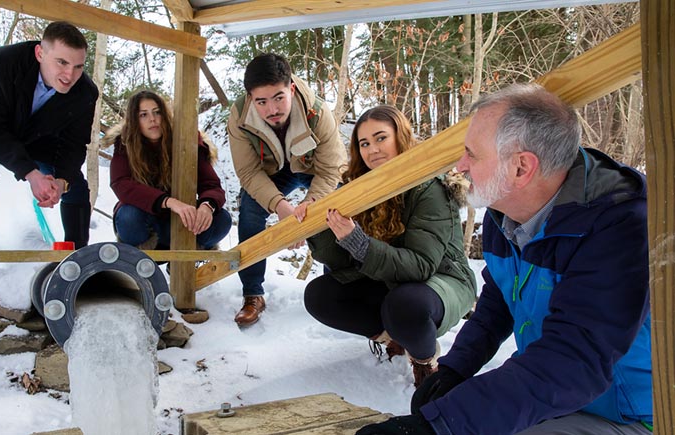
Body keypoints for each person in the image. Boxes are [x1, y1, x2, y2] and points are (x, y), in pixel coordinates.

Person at [357, 83, 652, 435]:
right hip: (553, 393)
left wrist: (439, 427)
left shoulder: (617, 227)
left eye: (472, 154)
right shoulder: (505, 210)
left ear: (521, 168)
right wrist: (456, 368)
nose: (460, 165)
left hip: (633, 412)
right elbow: (497, 304)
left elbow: (576, 359)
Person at [304, 105, 476, 387]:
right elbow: (340, 263)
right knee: (321, 294)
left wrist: (358, 242)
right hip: (390, 278)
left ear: (401, 136)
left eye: (381, 138)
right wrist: (318, 224)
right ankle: (395, 336)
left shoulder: (428, 187)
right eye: (364, 143)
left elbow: (421, 265)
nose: (373, 150)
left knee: (406, 306)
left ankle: (424, 360)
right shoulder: (359, 189)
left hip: (441, 280)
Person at [0, 21, 98, 285]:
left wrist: (60, 180)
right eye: (61, 63)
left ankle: (78, 257)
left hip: (37, 133)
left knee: (75, 184)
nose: (70, 75)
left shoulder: (85, 93)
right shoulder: (1, 63)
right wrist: (30, 173)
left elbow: (74, 145)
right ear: (40, 53)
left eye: (78, 66)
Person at [227, 53, 347, 327]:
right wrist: (282, 207)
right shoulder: (238, 118)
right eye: (262, 101)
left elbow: (332, 169)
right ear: (250, 99)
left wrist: (311, 204)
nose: (272, 109)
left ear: (290, 88)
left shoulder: (318, 112)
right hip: (270, 174)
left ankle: (339, 285)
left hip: (311, 169)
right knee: (249, 211)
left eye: (279, 97)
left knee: (338, 207)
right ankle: (253, 294)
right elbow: (248, 172)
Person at [110, 90, 231, 254]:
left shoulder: (187, 139)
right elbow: (121, 184)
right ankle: (142, 259)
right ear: (135, 120)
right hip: (146, 224)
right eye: (143, 115)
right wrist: (169, 202)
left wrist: (207, 206)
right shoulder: (125, 142)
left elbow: (211, 185)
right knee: (128, 216)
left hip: (184, 223)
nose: (152, 119)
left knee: (222, 219)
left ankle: (188, 257)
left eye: (157, 112)